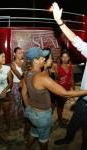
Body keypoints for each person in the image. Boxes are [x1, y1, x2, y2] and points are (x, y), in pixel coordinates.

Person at [21, 47, 87, 150]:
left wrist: (28, 107)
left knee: (34, 132)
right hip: (42, 116)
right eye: (42, 57)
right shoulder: (42, 78)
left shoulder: (27, 74)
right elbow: (65, 94)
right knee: (43, 140)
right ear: (35, 61)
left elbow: (24, 93)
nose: (44, 59)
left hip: (31, 112)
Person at [51, 2, 87, 150]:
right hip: (82, 101)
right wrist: (59, 21)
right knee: (73, 124)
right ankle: (67, 140)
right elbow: (75, 40)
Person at [56, 50, 75, 128]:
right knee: (60, 106)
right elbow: (56, 79)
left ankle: (60, 118)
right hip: (60, 90)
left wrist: (73, 88)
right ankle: (60, 121)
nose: (64, 59)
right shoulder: (58, 67)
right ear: (60, 58)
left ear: (69, 58)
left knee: (62, 105)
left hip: (67, 89)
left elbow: (71, 77)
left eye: (66, 57)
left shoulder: (70, 66)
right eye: (63, 57)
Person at [10, 47, 24, 126]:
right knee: (17, 103)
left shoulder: (24, 62)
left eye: (21, 52)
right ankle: (16, 119)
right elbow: (19, 76)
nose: (20, 54)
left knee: (24, 102)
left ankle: (24, 118)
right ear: (14, 54)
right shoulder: (12, 64)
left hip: (24, 85)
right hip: (16, 86)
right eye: (18, 52)